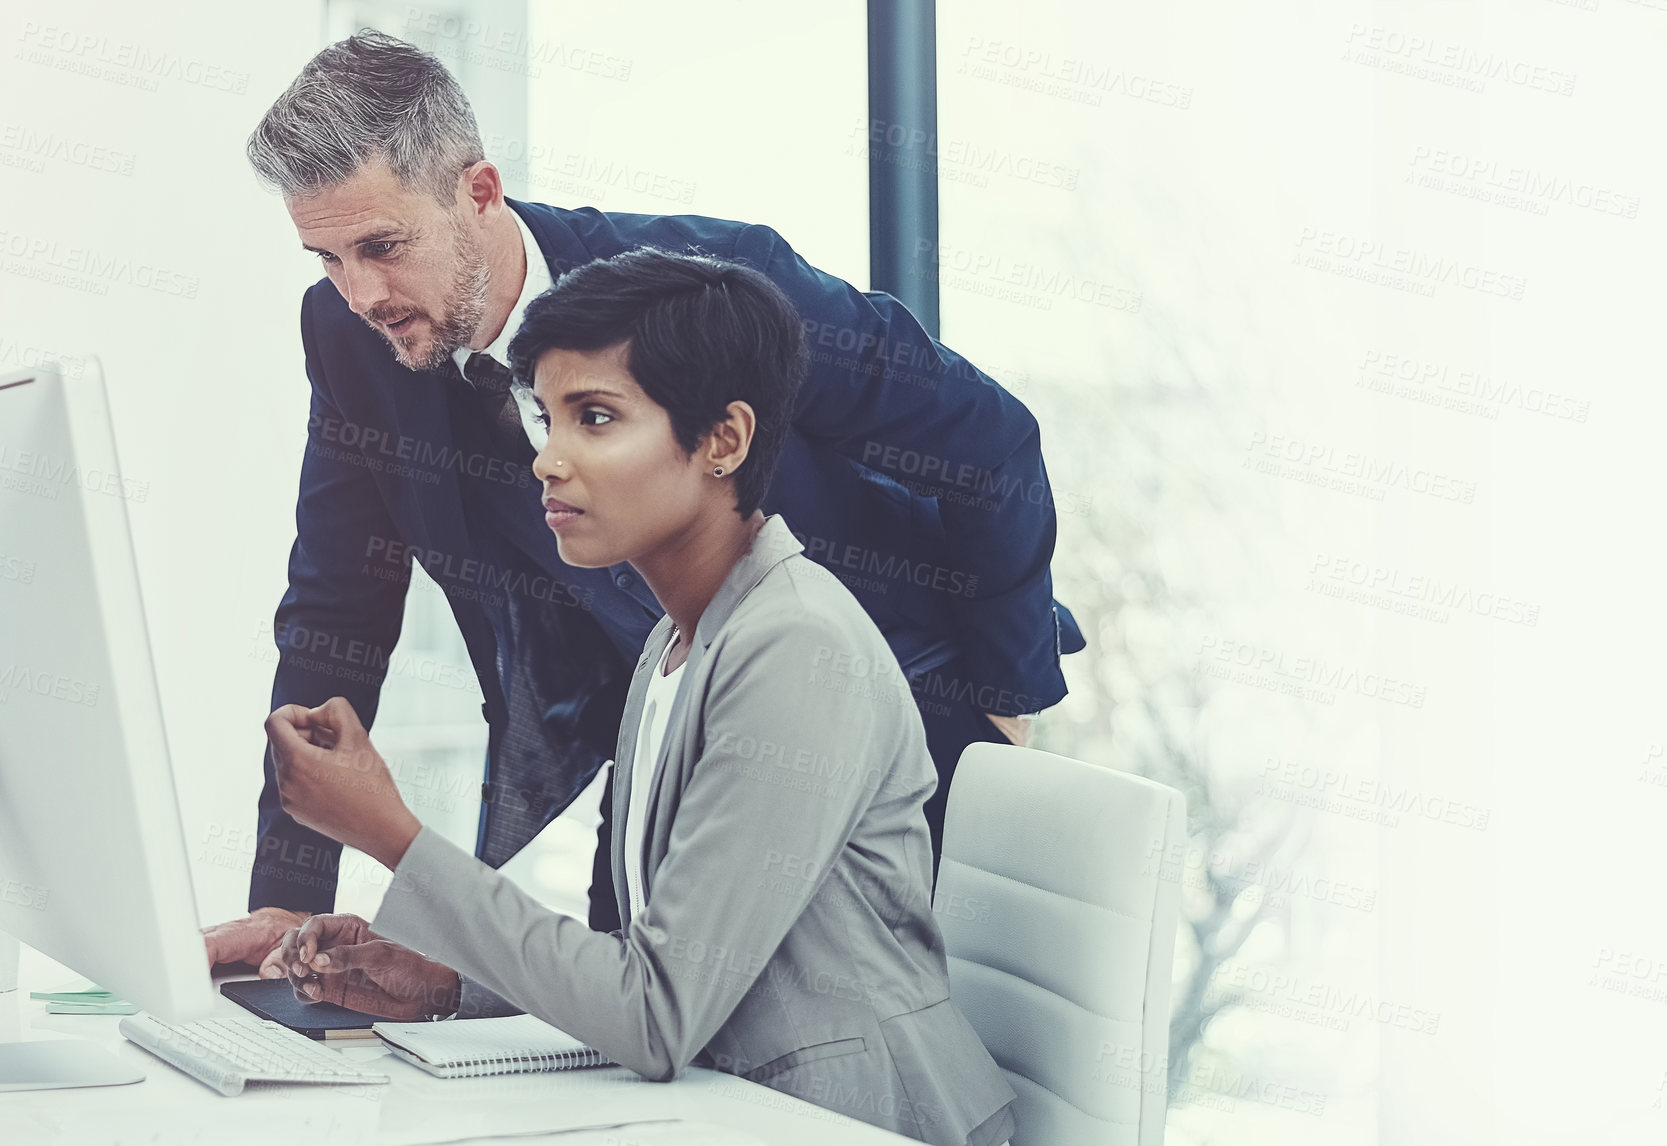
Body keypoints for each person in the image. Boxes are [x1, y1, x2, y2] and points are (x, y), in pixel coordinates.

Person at [206, 30, 1083, 970]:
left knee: (865, 1056)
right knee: (618, 1041)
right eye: (327, 259)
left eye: (382, 246)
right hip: (658, 742)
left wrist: (1001, 702)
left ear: (480, 192)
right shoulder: (351, 342)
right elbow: (337, 601)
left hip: (893, 706)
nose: (360, 293)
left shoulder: (715, 292)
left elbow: (989, 440)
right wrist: (286, 897)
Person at [260, 248, 1018, 1146]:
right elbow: (658, 962)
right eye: (548, 418)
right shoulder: (675, 639)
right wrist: (448, 981)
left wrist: (392, 834)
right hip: (733, 1105)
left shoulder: (793, 647)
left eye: (596, 418)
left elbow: (654, 1016)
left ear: (723, 442)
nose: (549, 459)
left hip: (864, 1120)